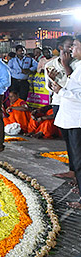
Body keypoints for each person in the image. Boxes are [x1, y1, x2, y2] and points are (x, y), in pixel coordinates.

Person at [52, 34, 81, 209]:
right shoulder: (77, 67)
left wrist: (62, 91)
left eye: (75, 45)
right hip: (71, 119)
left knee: (79, 160)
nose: (71, 49)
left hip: (77, 120)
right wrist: (57, 87)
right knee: (76, 160)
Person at [45, 35, 77, 180]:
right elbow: (49, 87)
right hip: (59, 103)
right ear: (60, 48)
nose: (71, 49)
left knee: (76, 140)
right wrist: (53, 80)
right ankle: (73, 168)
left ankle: (76, 170)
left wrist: (66, 66)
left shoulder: (76, 64)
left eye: (73, 46)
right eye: (69, 45)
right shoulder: (50, 65)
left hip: (74, 105)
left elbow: (74, 88)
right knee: (68, 139)